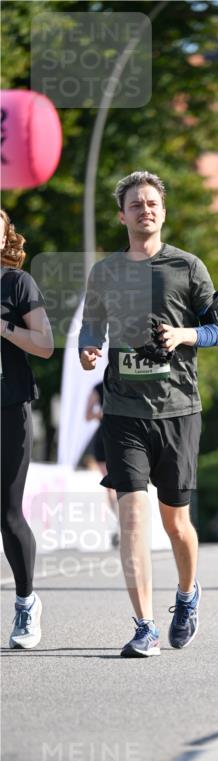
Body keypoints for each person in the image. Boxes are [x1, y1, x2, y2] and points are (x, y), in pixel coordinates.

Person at [79, 170, 218, 656]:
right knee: (132, 518)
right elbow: (92, 324)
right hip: (123, 411)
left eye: (152, 203)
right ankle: (144, 626)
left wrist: (184, 335)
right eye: (136, 204)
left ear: (163, 212)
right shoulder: (104, 272)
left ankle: (187, 595)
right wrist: (87, 349)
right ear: (122, 215)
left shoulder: (188, 267)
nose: (145, 209)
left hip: (178, 410)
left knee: (177, 523)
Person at [1, 209, 54, 648]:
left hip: (9, 408)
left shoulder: (17, 284)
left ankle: (25, 603)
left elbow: (45, 344)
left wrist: (3, 326)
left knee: (8, 514)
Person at [85, 380, 119, 546]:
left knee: (117, 486)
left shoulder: (123, 382)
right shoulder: (99, 387)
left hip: (122, 437)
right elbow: (88, 414)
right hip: (106, 438)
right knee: (111, 487)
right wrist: (102, 413)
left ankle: (119, 524)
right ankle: (117, 525)